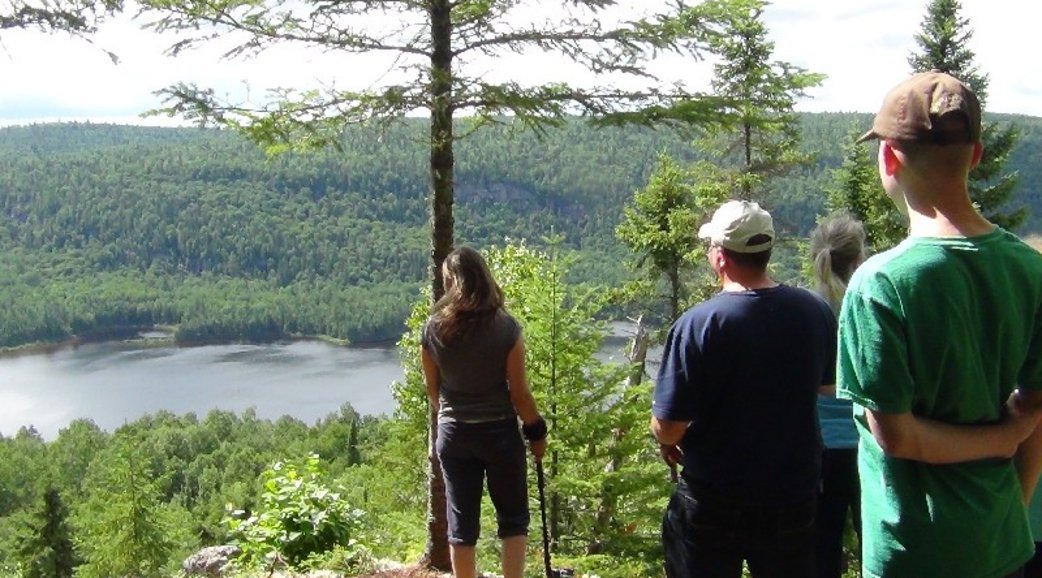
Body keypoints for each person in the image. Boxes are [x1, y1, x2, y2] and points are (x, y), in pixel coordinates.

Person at [837, 71, 1042, 578]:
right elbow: (1034, 408)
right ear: (976, 156)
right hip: (1001, 542)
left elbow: (897, 436)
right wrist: (1010, 495)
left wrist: (998, 440)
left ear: (889, 158)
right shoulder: (1030, 269)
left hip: (914, 551)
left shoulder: (880, 283)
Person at [651, 199, 838, 578]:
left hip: (713, 498)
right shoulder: (814, 311)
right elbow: (827, 388)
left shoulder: (698, 325)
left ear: (721, 257)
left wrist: (664, 436)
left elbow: (669, 427)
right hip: (793, 494)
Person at [420, 246, 547, 578]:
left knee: (461, 523)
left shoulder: (432, 330)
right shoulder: (506, 328)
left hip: (454, 434)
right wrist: (536, 432)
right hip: (499, 434)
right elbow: (520, 395)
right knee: (513, 519)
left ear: (451, 283)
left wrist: (453, 417)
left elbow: (433, 390)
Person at [809, 212, 867, 578]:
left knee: (821, 548)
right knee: (875, 546)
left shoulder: (804, 310)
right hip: (869, 443)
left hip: (817, 448)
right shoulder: (871, 304)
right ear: (859, 257)